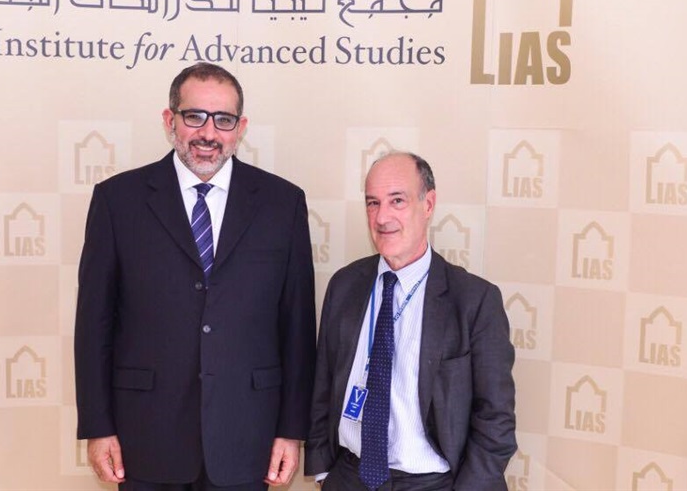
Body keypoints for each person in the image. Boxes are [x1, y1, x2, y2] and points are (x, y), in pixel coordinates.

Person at [75, 62, 317, 491]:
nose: (208, 133)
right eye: (194, 116)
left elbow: (296, 326)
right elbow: (94, 323)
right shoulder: (118, 201)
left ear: (240, 128)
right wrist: (98, 426)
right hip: (144, 436)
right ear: (170, 120)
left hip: (248, 437)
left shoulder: (283, 203)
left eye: (223, 119)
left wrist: (291, 430)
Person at [305, 152, 516, 490]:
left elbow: (496, 419)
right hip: (349, 476)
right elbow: (322, 384)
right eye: (373, 203)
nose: (382, 217)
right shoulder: (344, 285)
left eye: (397, 201)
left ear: (428, 204)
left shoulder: (474, 300)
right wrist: (324, 475)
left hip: (432, 483)